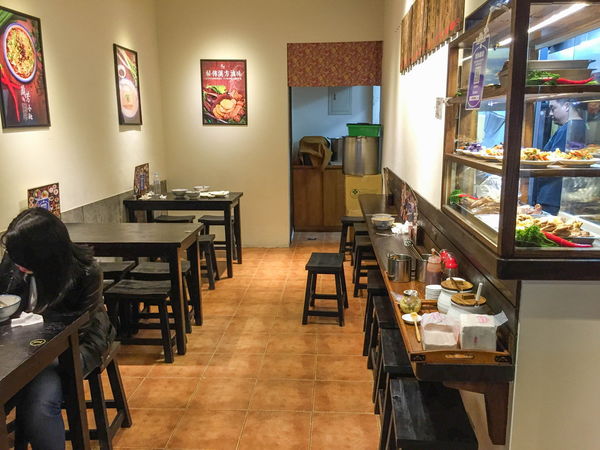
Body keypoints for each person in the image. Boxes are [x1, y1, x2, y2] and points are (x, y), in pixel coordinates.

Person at [0, 208, 115, 450]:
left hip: (70, 348)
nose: (17, 264)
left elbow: (82, 329)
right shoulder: (15, 261)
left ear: (46, 255)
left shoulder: (85, 272)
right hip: (20, 350)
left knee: (38, 406)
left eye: (24, 259)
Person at [529, 99, 587, 215]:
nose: (550, 114)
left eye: (553, 108)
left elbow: (554, 161)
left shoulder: (568, 129)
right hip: (555, 195)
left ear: (566, 106)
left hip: (553, 195)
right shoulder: (577, 127)